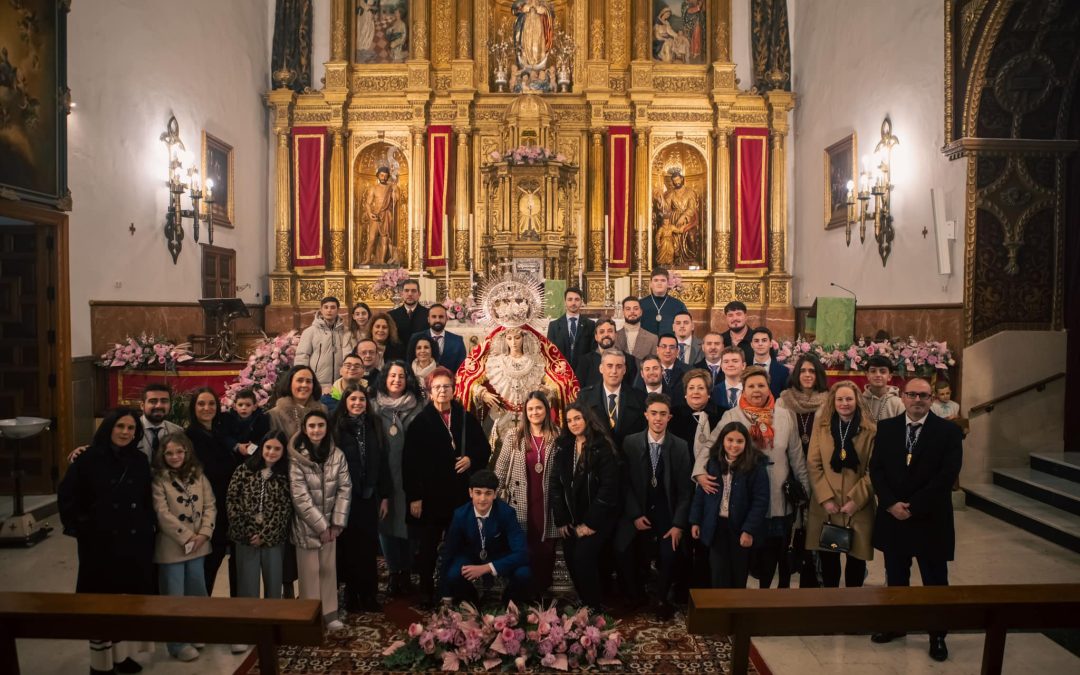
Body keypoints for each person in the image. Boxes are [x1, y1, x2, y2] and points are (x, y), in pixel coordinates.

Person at [869, 378, 963, 662]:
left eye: (923, 395)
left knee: (935, 580)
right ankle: (896, 625)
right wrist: (889, 504)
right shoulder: (886, 428)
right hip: (894, 515)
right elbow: (876, 470)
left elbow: (948, 474)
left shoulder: (948, 431)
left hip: (930, 517)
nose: (917, 400)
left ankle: (937, 635)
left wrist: (914, 506)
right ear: (904, 397)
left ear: (931, 398)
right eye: (912, 394)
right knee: (896, 577)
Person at [58, 408, 155, 675]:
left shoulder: (138, 459)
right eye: (120, 427)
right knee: (101, 604)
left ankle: (121, 656)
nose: (125, 432)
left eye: (131, 429)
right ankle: (100, 665)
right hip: (100, 544)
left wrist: (147, 528)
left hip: (133, 543)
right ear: (109, 428)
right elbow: (68, 497)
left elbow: (146, 498)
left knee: (125, 602)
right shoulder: (87, 458)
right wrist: (84, 527)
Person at [403, 367, 492, 605]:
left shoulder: (465, 418)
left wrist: (471, 459)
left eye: (446, 387)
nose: (442, 391)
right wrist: (415, 497)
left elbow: (485, 449)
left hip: (459, 496)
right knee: (428, 548)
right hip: (430, 498)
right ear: (430, 392)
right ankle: (425, 590)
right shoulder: (420, 422)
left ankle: (457, 589)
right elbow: (410, 463)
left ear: (454, 390)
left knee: (460, 545)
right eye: (437, 387)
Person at [719, 366, 809, 588]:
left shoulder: (784, 415)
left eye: (761, 385)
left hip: (779, 493)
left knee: (775, 551)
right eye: (751, 386)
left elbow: (796, 455)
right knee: (749, 554)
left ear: (769, 388)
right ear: (743, 389)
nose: (756, 390)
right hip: (746, 496)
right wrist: (701, 475)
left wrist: (805, 491)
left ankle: (770, 595)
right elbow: (713, 450)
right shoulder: (732, 416)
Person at [615, 393, 692, 619]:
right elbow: (625, 484)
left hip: (667, 514)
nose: (658, 418)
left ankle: (661, 599)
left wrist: (678, 524)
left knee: (670, 554)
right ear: (646, 415)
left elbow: (685, 492)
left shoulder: (680, 446)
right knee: (622, 548)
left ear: (670, 417)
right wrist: (635, 515)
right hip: (638, 511)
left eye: (663, 414)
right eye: (654, 414)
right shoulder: (630, 442)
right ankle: (635, 596)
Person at [151, 433, 217, 662]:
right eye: (169, 453)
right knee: (174, 596)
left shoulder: (198, 475)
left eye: (179, 451)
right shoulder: (159, 479)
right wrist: (187, 536)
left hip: (199, 544)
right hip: (173, 546)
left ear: (187, 452)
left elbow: (210, 504)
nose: (175, 456)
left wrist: (204, 533)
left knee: (197, 590)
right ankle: (177, 643)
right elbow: (162, 513)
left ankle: (196, 632)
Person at [457, 324, 579, 444]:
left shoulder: (535, 361)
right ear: (504, 339)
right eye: (509, 338)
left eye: (517, 338)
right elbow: (467, 379)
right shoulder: (495, 361)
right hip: (500, 414)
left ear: (524, 338)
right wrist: (483, 393)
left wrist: (548, 390)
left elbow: (560, 382)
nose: (513, 342)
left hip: (531, 416)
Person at [549, 403, 620, 611]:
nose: (573, 423)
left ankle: (594, 606)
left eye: (578, 418)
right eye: (569, 420)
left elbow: (608, 489)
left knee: (583, 557)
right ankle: (584, 602)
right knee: (571, 558)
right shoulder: (563, 446)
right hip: (572, 517)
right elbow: (555, 483)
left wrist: (590, 523)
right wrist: (561, 519)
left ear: (587, 419)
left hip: (598, 518)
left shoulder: (602, 447)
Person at [807, 381, 877, 588]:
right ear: (833, 402)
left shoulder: (870, 431)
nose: (844, 403)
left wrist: (856, 500)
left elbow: (873, 470)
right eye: (840, 399)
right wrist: (826, 498)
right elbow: (813, 463)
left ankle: (852, 606)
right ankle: (831, 604)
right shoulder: (822, 428)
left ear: (857, 401)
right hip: (826, 505)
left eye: (849, 399)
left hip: (858, 506)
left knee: (856, 562)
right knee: (829, 563)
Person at [289, 409, 352, 631]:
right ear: (305, 429)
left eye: (320, 426)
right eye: (312, 426)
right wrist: (322, 525)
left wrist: (336, 523)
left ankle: (330, 614)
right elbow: (299, 496)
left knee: (328, 569)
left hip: (331, 527)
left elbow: (345, 488)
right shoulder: (297, 457)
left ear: (327, 428)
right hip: (307, 526)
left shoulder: (337, 455)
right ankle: (310, 616)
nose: (316, 430)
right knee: (309, 573)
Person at [494, 391, 561, 599]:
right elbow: (500, 470)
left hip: (548, 502)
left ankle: (540, 593)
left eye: (539, 408)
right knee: (523, 547)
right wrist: (496, 503)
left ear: (546, 411)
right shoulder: (515, 435)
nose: (535, 412)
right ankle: (520, 592)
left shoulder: (558, 436)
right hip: (520, 501)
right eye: (530, 409)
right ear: (525, 412)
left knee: (544, 549)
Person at [331, 383, 391, 612]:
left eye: (361, 400)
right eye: (353, 399)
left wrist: (384, 496)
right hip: (345, 496)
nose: (357, 403)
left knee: (367, 547)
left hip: (369, 494)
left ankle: (369, 594)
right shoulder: (337, 426)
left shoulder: (374, 424)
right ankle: (351, 595)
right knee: (348, 547)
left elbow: (383, 461)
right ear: (345, 403)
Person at [689, 422, 769, 588]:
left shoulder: (756, 466)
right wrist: (696, 520)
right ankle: (720, 612)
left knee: (738, 575)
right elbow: (701, 494)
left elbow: (760, 501)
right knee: (718, 574)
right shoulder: (713, 462)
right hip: (716, 526)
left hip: (740, 528)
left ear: (746, 443)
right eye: (730, 440)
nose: (734, 445)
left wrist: (748, 530)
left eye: (739, 441)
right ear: (722, 441)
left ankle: (736, 612)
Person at [440, 469, 532, 605]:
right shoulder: (460, 515)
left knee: (524, 573)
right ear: (470, 493)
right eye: (478, 493)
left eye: (488, 493)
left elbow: (522, 553)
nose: (482, 499)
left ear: (495, 494)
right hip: (471, 558)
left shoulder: (506, 513)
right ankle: (471, 602)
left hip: (499, 557)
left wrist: (488, 567)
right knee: (453, 573)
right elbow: (449, 552)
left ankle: (508, 603)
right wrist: (446, 594)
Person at [777, 353, 830, 587]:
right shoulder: (783, 401)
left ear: (818, 375)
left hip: (820, 470)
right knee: (790, 525)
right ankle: (787, 576)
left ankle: (812, 577)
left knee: (815, 525)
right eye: (803, 371)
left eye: (812, 371)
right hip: (789, 468)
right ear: (796, 375)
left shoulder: (829, 401)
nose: (807, 375)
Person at [672, 368, 726, 591]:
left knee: (706, 542)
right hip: (681, 488)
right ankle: (682, 590)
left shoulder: (722, 415)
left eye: (701, 388)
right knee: (683, 542)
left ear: (709, 393)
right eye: (691, 388)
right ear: (685, 393)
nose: (696, 392)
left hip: (711, 486)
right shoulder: (674, 417)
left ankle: (705, 590)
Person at [185, 387, 241, 598]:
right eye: (201, 404)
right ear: (193, 408)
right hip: (205, 513)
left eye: (211, 404)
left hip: (227, 509)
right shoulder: (188, 437)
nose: (207, 408)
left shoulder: (220, 434)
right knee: (206, 570)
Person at [227, 431, 292, 603]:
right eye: (268, 447)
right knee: (247, 587)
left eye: (277, 449)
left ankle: (273, 623)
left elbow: (284, 508)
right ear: (261, 447)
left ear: (284, 451)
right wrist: (248, 531)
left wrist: (265, 535)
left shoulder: (285, 475)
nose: (271, 452)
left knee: (273, 586)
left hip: (273, 539)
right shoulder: (244, 470)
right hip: (246, 537)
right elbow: (232, 501)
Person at [579, 349, 648, 450]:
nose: (614, 371)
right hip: (597, 460)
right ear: (601, 368)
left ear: (624, 370)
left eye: (619, 366)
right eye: (609, 366)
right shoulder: (584, 397)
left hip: (630, 460)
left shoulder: (639, 398)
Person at [295, 296, 354, 388]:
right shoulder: (310, 331)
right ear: (321, 310)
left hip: (340, 383)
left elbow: (348, 356)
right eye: (326, 307)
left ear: (338, 310)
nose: (329, 310)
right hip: (317, 382)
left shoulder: (345, 332)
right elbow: (302, 356)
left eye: (333, 307)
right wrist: (302, 378)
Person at [575, 319, 638, 389]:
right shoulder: (584, 361)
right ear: (596, 337)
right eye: (601, 332)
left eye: (610, 331)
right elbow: (580, 391)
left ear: (616, 335)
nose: (606, 334)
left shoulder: (629, 360)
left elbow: (632, 390)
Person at [547, 286, 595, 377]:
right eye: (570, 299)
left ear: (581, 302)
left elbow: (592, 352)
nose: (573, 303)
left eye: (577, 299)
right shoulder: (554, 326)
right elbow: (550, 354)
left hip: (584, 374)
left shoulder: (590, 325)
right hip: (561, 374)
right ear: (565, 302)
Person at [405, 303, 466, 373]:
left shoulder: (457, 341)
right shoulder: (416, 338)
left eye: (441, 317)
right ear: (428, 319)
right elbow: (409, 364)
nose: (437, 320)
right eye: (434, 317)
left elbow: (462, 370)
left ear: (446, 319)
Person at [136, 383, 184, 460]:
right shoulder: (132, 429)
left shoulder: (177, 431)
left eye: (164, 401)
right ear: (142, 405)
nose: (159, 405)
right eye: (153, 401)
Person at [639, 268, 688, 336]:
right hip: (646, 344)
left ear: (668, 283)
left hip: (670, 344)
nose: (659, 283)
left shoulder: (678, 305)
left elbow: (686, 327)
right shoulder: (641, 304)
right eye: (656, 280)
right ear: (650, 284)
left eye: (663, 280)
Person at [222, 388, 270, 458]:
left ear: (254, 406)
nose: (244, 408)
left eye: (248, 405)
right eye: (240, 405)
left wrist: (252, 447)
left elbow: (265, 437)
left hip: (255, 454)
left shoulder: (262, 419)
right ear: (235, 406)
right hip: (232, 454)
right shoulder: (228, 418)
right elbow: (224, 436)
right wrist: (237, 446)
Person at [615, 296, 659, 366]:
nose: (632, 311)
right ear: (623, 312)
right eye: (628, 309)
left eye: (635, 308)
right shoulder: (614, 336)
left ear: (641, 312)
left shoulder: (653, 339)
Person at [748, 327, 789, 397]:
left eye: (764, 340)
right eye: (756, 341)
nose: (760, 344)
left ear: (770, 344)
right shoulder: (745, 368)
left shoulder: (783, 371)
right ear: (751, 344)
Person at [862, 355, 905, 422]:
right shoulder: (860, 401)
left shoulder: (900, 404)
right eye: (873, 371)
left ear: (889, 376)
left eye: (883, 372)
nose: (878, 375)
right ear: (867, 375)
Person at [387, 279, 429, 347]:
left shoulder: (428, 314)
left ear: (419, 294)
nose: (410, 294)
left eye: (413, 291)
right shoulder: (391, 315)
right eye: (406, 290)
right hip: (399, 355)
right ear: (401, 294)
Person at [648, 333, 688, 402]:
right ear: (657, 349)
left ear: (677, 351)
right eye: (664, 346)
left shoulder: (688, 371)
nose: (668, 351)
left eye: (672, 347)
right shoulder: (647, 369)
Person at [714, 346, 747, 411]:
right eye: (726, 362)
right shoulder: (715, 391)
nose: (730, 364)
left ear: (743, 366)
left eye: (735, 361)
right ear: (721, 366)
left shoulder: (751, 389)